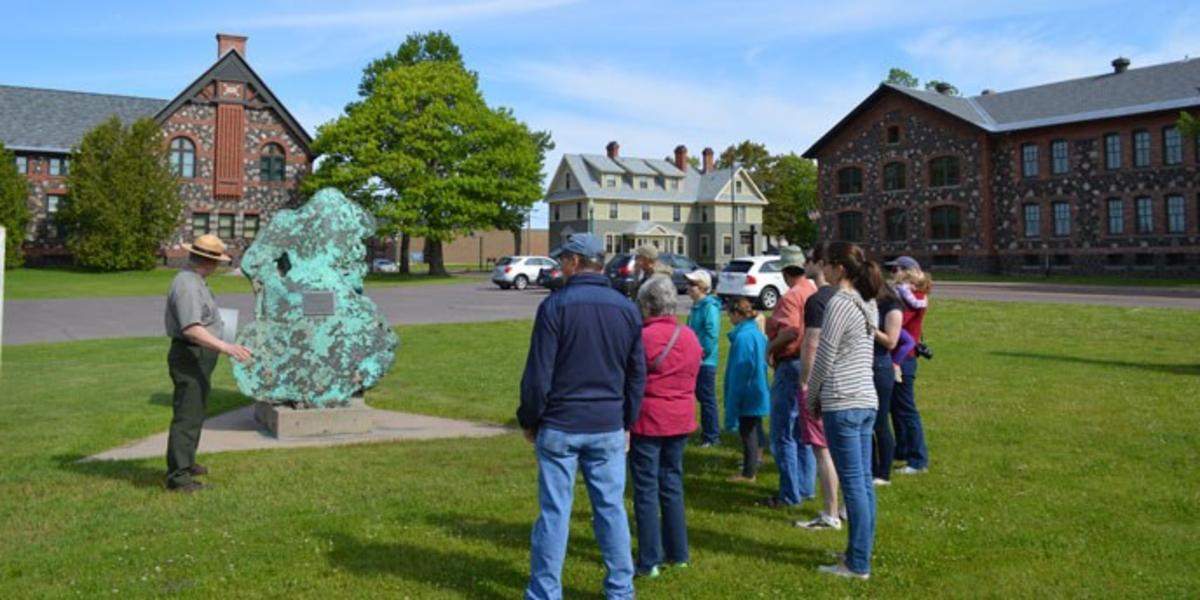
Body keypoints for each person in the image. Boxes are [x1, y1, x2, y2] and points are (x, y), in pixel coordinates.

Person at [518, 232, 646, 600]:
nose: (559, 266)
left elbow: (539, 373)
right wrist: (628, 420)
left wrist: (530, 417)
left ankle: (545, 592)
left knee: (555, 512)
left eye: (563, 260)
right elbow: (636, 373)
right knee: (611, 510)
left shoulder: (556, 306)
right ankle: (621, 590)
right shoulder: (625, 307)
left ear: (575, 262)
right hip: (606, 423)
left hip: (562, 423)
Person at [806, 241, 882, 580]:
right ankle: (857, 553)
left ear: (838, 268)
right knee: (862, 483)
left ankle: (857, 563)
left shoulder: (839, 302)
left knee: (854, 486)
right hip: (866, 399)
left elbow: (825, 354)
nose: (822, 269)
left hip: (844, 400)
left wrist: (811, 396)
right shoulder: (868, 302)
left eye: (826, 264)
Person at [164, 234, 252, 493]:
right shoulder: (187, 285)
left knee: (196, 410)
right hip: (191, 354)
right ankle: (178, 478)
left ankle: (187, 463)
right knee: (187, 415)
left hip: (199, 355)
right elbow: (191, 328)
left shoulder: (196, 280)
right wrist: (227, 347)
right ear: (210, 262)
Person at [630, 275, 703, 578]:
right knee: (672, 484)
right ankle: (679, 552)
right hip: (680, 417)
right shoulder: (689, 337)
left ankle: (650, 560)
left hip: (649, 418)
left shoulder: (642, 338)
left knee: (646, 489)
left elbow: (630, 377)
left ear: (647, 306)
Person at [761, 246, 818, 508]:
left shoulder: (792, 296)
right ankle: (806, 487)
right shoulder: (812, 289)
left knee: (782, 432)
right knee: (802, 431)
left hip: (791, 363)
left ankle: (789, 493)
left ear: (785, 271)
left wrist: (770, 348)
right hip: (810, 363)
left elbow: (792, 331)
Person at [794, 242, 842, 530]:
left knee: (822, 449)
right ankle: (844, 509)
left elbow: (811, 344)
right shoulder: (845, 296)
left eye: (809, 260)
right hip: (844, 381)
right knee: (842, 448)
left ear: (821, 263)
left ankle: (830, 513)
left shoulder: (817, 300)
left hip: (820, 383)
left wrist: (804, 382)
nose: (806, 264)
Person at [884, 256, 931, 474]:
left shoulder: (914, 296)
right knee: (895, 407)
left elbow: (899, 320)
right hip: (899, 356)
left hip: (904, 358)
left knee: (906, 409)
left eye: (895, 270)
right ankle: (902, 449)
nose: (892, 274)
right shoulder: (909, 295)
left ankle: (918, 460)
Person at [723, 297, 770, 483]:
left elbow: (740, 372)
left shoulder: (743, 338)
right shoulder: (756, 333)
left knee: (747, 431)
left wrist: (732, 406)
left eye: (730, 315)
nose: (729, 319)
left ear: (737, 314)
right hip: (757, 388)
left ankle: (749, 473)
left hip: (748, 391)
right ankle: (752, 462)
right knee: (753, 428)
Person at [871, 284, 904, 486]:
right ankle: (871, 467)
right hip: (867, 364)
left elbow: (891, 341)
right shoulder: (871, 305)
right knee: (868, 423)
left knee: (880, 422)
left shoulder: (892, 309)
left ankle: (884, 472)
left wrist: (871, 328)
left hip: (881, 367)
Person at [684, 270, 721, 447]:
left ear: (703, 287)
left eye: (692, 285)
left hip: (704, 361)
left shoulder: (709, 307)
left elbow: (711, 335)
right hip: (694, 358)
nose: (689, 288)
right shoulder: (696, 306)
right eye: (689, 284)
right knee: (699, 396)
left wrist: (700, 354)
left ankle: (712, 436)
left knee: (707, 398)